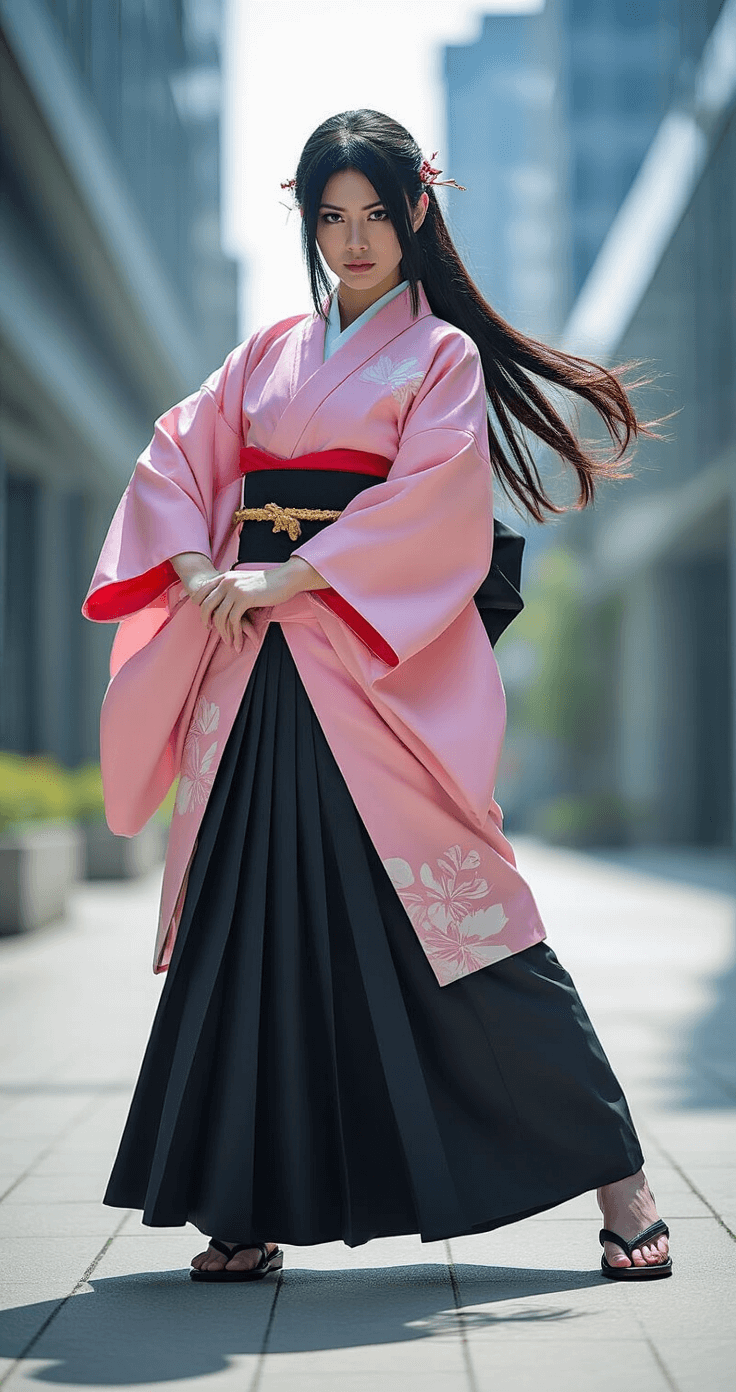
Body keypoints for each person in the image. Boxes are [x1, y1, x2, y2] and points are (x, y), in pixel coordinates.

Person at [82, 110, 672, 1284]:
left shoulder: (439, 357)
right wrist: (198, 568)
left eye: (374, 216)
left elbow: (435, 503)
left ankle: (621, 1182)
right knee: (244, 931)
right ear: (307, 223)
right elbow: (176, 458)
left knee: (468, 923)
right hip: (253, 675)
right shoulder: (265, 353)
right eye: (330, 217)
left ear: (415, 216)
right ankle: (242, 1206)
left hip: (369, 675)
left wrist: (290, 573)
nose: (353, 241)